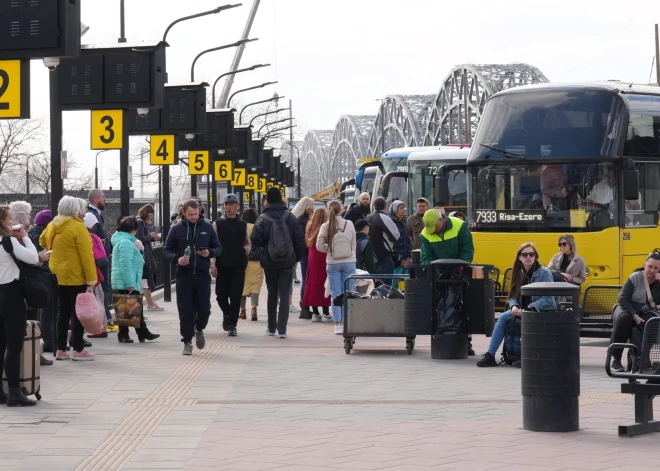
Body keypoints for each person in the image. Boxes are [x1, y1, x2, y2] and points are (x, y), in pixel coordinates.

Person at [477, 243, 556, 368]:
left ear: (536, 256)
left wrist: (530, 307)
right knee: (503, 317)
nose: (528, 257)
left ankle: (527, 357)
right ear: (519, 257)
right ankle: (490, 355)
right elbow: (513, 296)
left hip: (540, 310)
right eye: (525, 255)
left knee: (527, 318)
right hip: (522, 309)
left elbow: (549, 300)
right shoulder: (518, 272)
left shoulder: (544, 273)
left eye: (531, 254)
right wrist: (514, 307)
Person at [41, 196, 97, 361]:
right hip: (76, 275)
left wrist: (56, 251)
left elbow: (42, 240)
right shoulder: (78, 227)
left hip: (57, 274)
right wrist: (91, 279)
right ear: (75, 209)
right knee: (79, 312)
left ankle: (60, 349)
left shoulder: (53, 225)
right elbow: (86, 256)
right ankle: (78, 349)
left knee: (62, 311)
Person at [163, 199, 222, 355]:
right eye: (190, 215)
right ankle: (187, 341)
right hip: (184, 275)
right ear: (184, 213)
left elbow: (218, 248)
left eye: (196, 214)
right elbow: (167, 249)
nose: (194, 217)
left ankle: (199, 328)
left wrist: (210, 253)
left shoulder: (208, 227)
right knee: (185, 310)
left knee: (205, 309)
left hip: (202, 275)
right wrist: (177, 259)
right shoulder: (176, 229)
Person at [251, 187, 305, 338]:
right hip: (288, 261)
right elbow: (299, 240)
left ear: (267, 200)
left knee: (272, 294)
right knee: (284, 292)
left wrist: (262, 257)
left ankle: (271, 328)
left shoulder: (262, 218)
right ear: (281, 198)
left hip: (270, 262)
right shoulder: (290, 217)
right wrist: (295, 258)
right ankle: (282, 329)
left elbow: (255, 241)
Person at [420, 208, 476, 354]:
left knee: (463, 307)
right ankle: (441, 338)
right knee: (441, 307)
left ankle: (465, 343)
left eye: (434, 226)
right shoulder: (425, 233)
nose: (432, 231)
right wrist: (435, 272)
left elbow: (467, 250)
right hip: (440, 277)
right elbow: (426, 257)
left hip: (460, 274)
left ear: (441, 220)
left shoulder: (460, 226)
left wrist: (460, 268)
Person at [0, 206, 40, 406]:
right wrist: (25, 237)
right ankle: (14, 391)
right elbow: (32, 258)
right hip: (11, 295)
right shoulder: (8, 242)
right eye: (8, 219)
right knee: (14, 345)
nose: (11, 222)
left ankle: (0, 392)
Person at [111, 216, 160, 344]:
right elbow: (125, 264)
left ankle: (138, 333)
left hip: (127, 279)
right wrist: (130, 283)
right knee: (127, 307)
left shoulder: (124, 241)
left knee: (129, 307)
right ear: (133, 230)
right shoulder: (126, 243)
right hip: (127, 280)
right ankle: (129, 334)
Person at [609, 253, 660, 372]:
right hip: (627, 307)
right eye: (650, 266)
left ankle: (643, 357)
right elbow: (623, 299)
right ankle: (616, 359)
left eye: (656, 268)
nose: (652, 270)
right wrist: (634, 315)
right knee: (624, 319)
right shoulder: (635, 277)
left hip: (646, 310)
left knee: (652, 322)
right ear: (644, 265)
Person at [210, 194, 250, 337]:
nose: (228, 207)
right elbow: (213, 244)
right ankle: (227, 314)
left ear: (237, 206)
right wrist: (212, 264)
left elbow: (247, 242)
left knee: (235, 295)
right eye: (226, 204)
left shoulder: (242, 224)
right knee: (220, 295)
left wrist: (244, 250)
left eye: (231, 204)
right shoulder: (217, 224)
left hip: (239, 265)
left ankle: (232, 325)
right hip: (222, 264)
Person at [317, 200, 357, 335]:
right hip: (349, 262)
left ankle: (338, 324)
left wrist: (329, 250)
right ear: (341, 210)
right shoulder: (349, 224)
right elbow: (353, 244)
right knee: (349, 292)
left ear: (329, 210)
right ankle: (348, 322)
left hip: (333, 262)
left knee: (335, 293)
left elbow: (319, 246)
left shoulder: (325, 226)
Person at [28, 210, 55, 355]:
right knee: (46, 311)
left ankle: (48, 341)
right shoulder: (38, 236)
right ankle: (49, 341)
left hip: (37, 278)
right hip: (40, 278)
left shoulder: (32, 233)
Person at [87, 189, 114, 330]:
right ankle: (105, 319)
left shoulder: (96, 214)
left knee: (103, 289)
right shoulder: (91, 215)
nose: (105, 199)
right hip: (98, 259)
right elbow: (91, 236)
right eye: (103, 197)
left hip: (100, 257)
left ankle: (106, 317)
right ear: (96, 200)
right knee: (102, 288)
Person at [302, 208, 332, 322]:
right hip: (324, 254)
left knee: (313, 282)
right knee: (325, 281)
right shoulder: (326, 226)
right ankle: (326, 312)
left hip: (313, 254)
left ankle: (315, 313)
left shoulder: (309, 226)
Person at [291, 197, 315, 319]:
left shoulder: (297, 219)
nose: (313, 209)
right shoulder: (304, 221)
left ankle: (304, 306)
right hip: (306, 253)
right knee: (306, 279)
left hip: (302, 253)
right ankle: (304, 306)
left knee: (306, 279)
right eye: (312, 206)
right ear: (307, 207)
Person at [240, 209, 263, 322]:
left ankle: (243, 311)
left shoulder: (242, 227)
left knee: (242, 286)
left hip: (244, 261)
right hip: (257, 261)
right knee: (255, 286)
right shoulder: (257, 228)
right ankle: (254, 308)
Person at [366, 197, 400, 275]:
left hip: (369, 255)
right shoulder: (385, 218)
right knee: (385, 283)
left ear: (374, 206)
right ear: (385, 206)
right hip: (384, 254)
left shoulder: (367, 218)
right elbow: (396, 236)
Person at [389, 200, 412, 268]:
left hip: (406, 257)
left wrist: (408, 256)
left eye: (404, 208)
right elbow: (393, 241)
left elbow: (407, 238)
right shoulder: (391, 221)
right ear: (395, 209)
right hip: (397, 259)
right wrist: (399, 259)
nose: (403, 209)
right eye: (401, 208)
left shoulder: (404, 220)